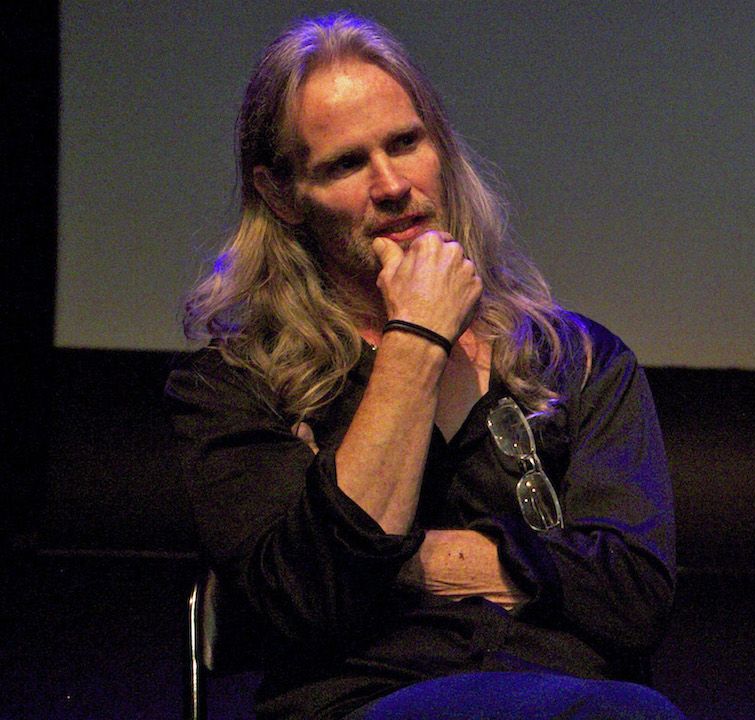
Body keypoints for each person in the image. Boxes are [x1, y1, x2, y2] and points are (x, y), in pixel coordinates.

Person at [166, 12, 683, 720]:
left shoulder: (578, 360)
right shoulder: (236, 383)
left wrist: (404, 562)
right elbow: (309, 596)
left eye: (406, 143)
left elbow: (635, 597)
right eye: (346, 165)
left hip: (572, 697)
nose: (391, 184)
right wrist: (416, 336)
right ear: (282, 195)